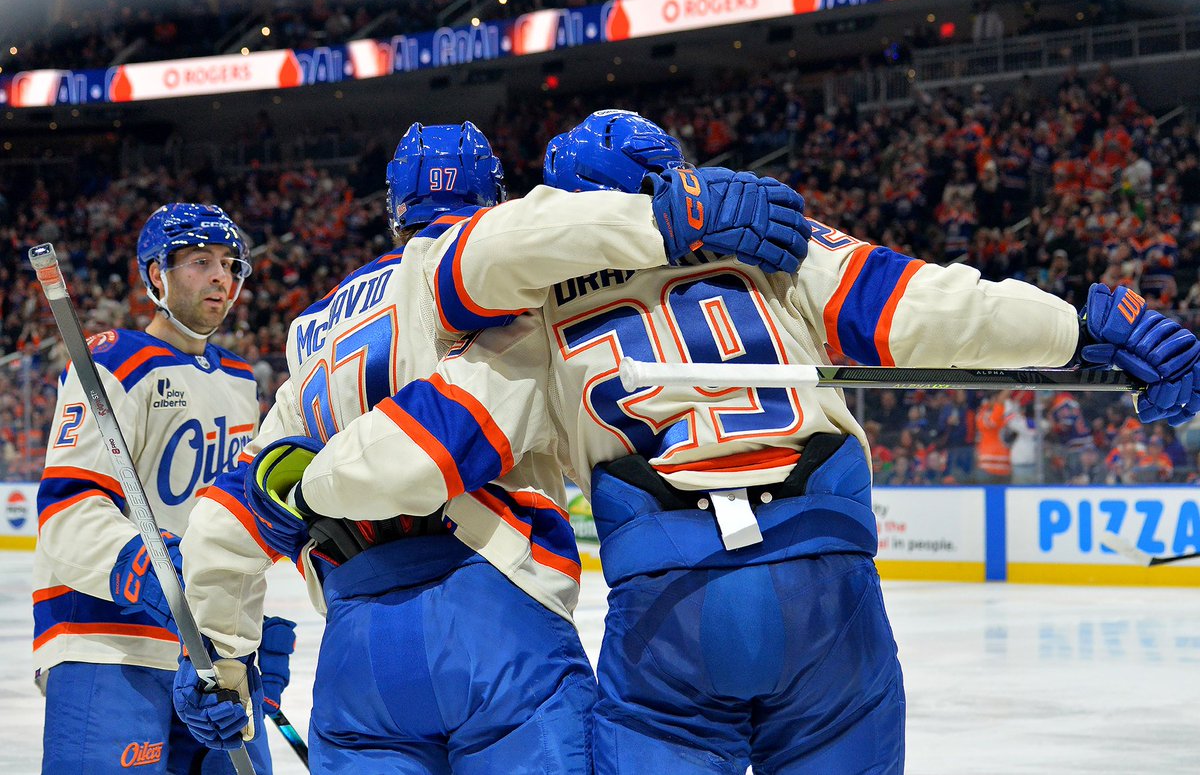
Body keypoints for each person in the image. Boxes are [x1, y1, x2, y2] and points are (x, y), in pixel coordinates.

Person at [258, 110, 1200, 774]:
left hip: (667, 610)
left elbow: (431, 445)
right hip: (825, 581)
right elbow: (928, 308)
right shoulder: (769, 240)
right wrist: (1084, 326)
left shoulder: (536, 312)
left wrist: (313, 480)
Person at [169, 119, 809, 772]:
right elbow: (527, 239)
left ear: (395, 209)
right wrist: (668, 218)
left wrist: (216, 658)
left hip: (357, 651)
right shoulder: (462, 258)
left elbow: (231, 514)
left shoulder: (312, 333)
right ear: (496, 198)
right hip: (493, 609)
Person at [33, 204, 293, 774]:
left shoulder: (241, 381)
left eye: (230, 265)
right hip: (109, 640)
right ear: (157, 275)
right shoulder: (114, 363)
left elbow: (233, 525)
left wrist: (247, 636)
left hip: (211, 655)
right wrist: (156, 577)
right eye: (201, 262)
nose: (222, 278)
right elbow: (68, 511)